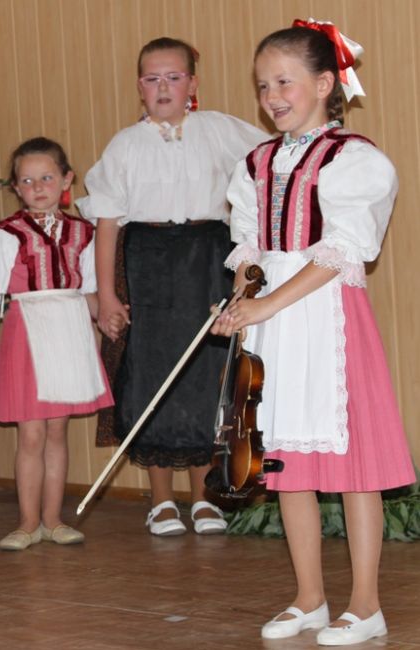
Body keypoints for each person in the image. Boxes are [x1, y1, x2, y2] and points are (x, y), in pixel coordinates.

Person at [214, 20, 415, 645]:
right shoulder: (256, 163)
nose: (271, 96)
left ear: (325, 84)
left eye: (284, 82)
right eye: (262, 85)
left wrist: (269, 303)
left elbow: (342, 251)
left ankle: (366, 605)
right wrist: (244, 294)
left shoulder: (354, 159)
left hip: (327, 316)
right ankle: (309, 598)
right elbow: (249, 245)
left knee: (352, 468)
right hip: (274, 321)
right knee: (286, 462)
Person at [79, 37, 266, 536]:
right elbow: (107, 223)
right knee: (152, 374)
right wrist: (107, 296)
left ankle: (203, 498)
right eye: (152, 78)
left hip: (208, 261)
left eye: (174, 77)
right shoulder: (125, 145)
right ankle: (161, 500)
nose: (163, 87)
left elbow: (269, 167)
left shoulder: (221, 130)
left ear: (192, 83)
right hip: (149, 265)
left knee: (206, 375)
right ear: (139, 86)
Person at [0, 137, 113, 551]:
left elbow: (90, 293)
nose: (37, 187)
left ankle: (53, 520)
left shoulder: (84, 233)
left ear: (66, 179)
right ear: (15, 187)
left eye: (47, 178)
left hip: (69, 329)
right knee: (31, 434)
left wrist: (110, 316)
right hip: (28, 331)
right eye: (27, 180)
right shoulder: (5, 235)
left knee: (56, 432)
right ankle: (27, 522)